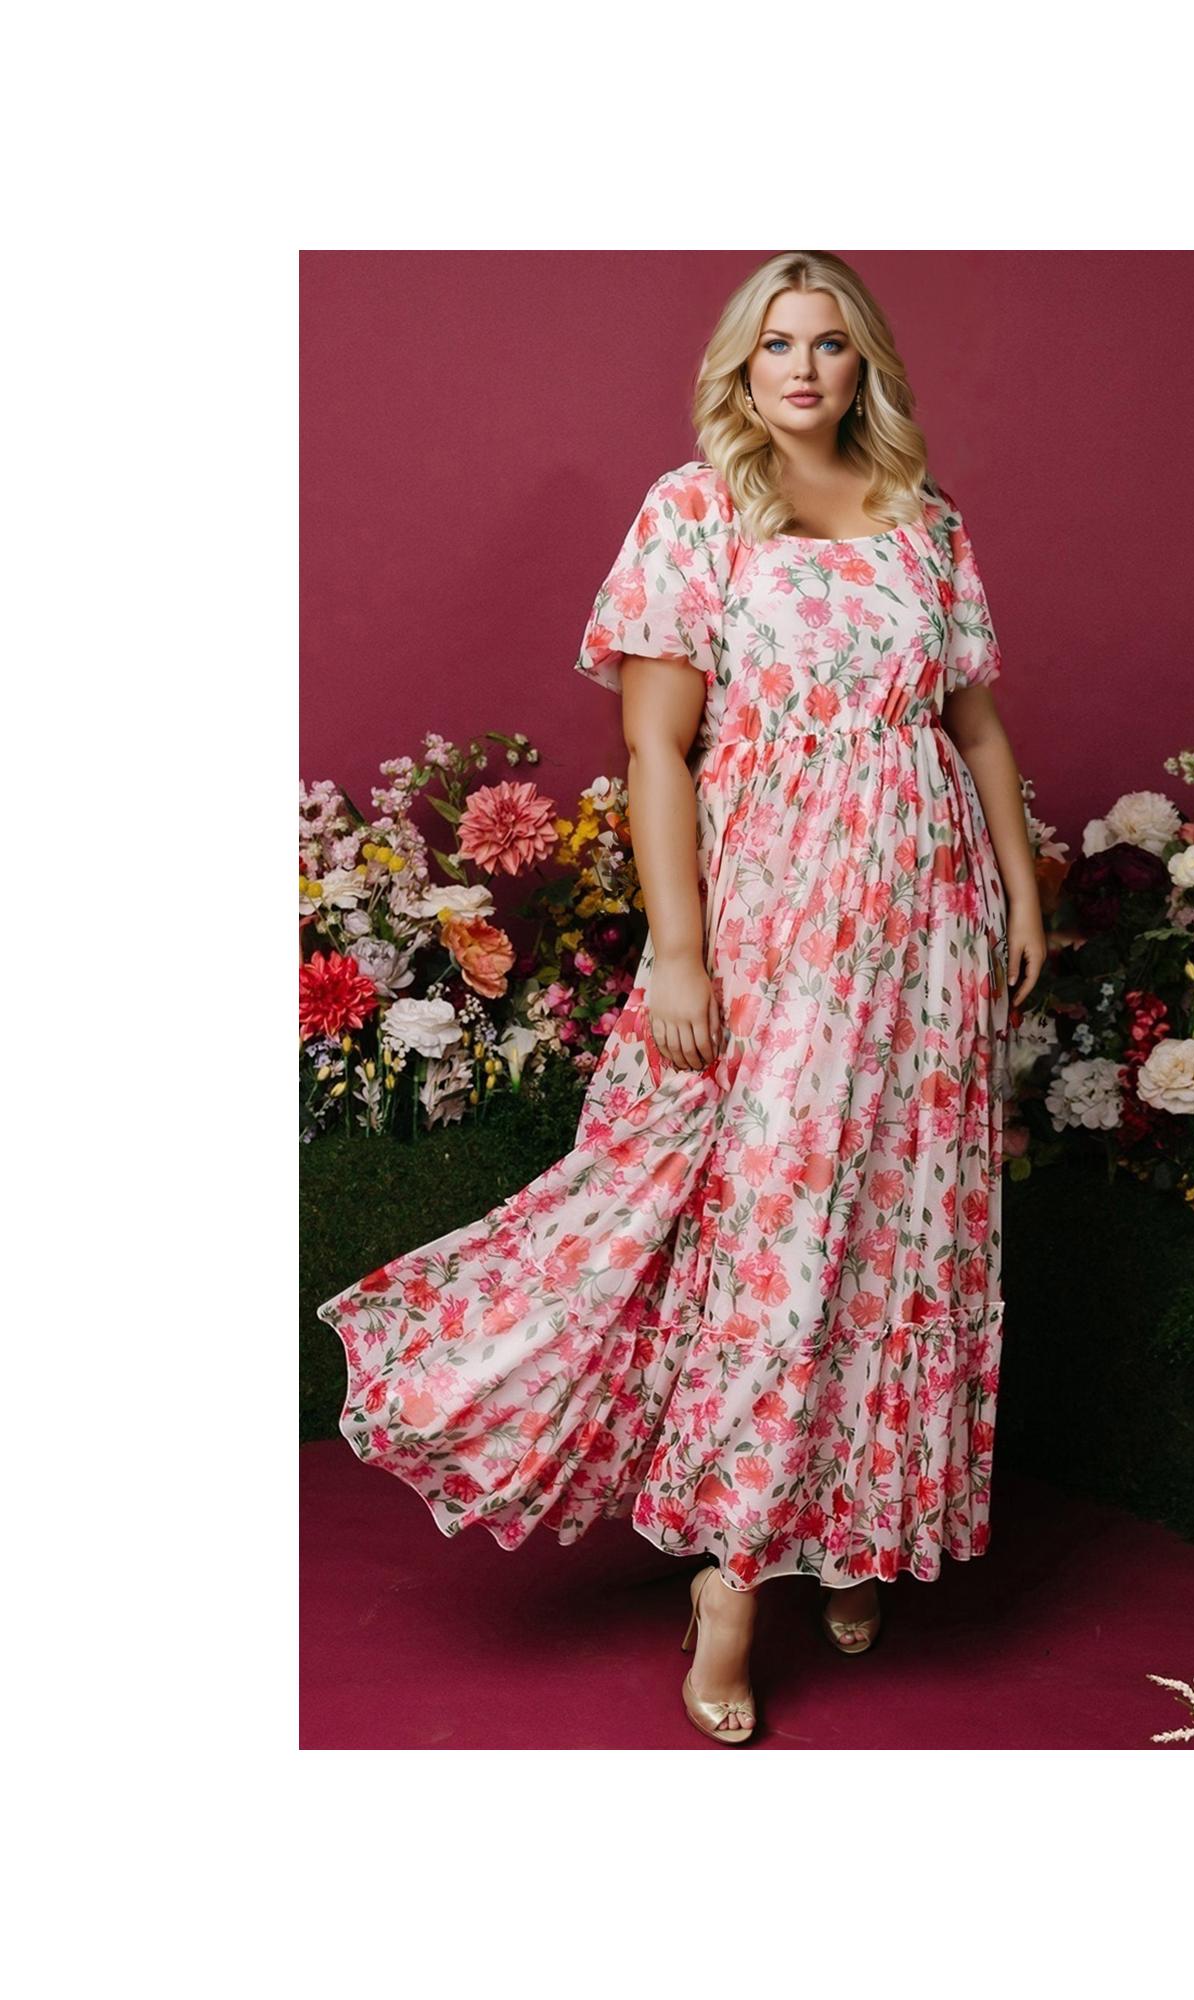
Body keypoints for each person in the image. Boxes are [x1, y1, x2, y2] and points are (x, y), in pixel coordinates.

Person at [318, 250, 1046, 1746]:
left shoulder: (926, 521)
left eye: (828, 344)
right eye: (776, 344)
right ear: (741, 366)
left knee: (904, 1228)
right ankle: (733, 1576)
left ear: (863, 365)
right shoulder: (695, 513)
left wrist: (1022, 900)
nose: (802, 369)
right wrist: (682, 951)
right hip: (777, 920)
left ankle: (857, 1532)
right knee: (775, 1233)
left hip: (930, 925)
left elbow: (973, 728)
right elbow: (658, 748)